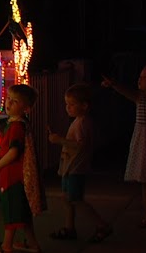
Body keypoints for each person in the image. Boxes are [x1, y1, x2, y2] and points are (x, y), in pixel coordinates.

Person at [102, 62, 146, 227]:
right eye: (140, 76)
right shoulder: (140, 98)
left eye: (145, 77)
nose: (140, 80)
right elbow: (126, 92)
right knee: (145, 180)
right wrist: (114, 84)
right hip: (143, 141)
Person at [48, 83, 112, 243]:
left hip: (76, 168)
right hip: (70, 167)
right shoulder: (78, 121)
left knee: (76, 199)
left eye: (71, 104)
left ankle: (102, 224)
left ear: (84, 106)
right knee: (67, 198)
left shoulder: (82, 123)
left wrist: (60, 140)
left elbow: (80, 145)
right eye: (66, 104)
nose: (68, 108)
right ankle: (69, 227)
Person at [0, 83, 43, 253]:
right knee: (22, 211)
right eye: (8, 99)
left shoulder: (16, 127)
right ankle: (32, 243)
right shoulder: (20, 123)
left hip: (12, 175)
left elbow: (14, 152)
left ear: (26, 108)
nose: (8, 103)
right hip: (18, 176)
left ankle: (6, 246)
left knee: (11, 210)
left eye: (15, 101)